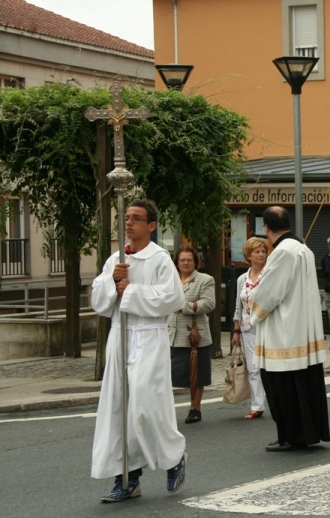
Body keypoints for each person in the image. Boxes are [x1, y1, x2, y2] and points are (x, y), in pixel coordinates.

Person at [91, 199, 187, 502]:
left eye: (136, 218)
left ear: (152, 226)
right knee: (118, 408)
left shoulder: (159, 259)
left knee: (146, 403)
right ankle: (127, 478)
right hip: (120, 336)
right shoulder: (115, 259)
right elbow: (99, 301)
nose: (128, 223)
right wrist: (112, 280)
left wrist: (129, 291)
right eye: (126, 217)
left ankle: (174, 458)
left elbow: (173, 298)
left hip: (148, 336)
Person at [249, 206, 330, 450]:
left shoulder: (283, 252)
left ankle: (292, 435)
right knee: (301, 384)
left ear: (266, 228)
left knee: (281, 386)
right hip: (301, 327)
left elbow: (270, 293)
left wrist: (253, 312)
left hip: (283, 331)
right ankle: (305, 432)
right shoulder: (303, 248)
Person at [168, 246, 216, 424]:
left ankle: (195, 408)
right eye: (182, 260)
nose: (186, 263)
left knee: (197, 374)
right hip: (172, 334)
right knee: (170, 375)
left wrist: (184, 306)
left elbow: (209, 304)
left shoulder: (205, 280)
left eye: (189, 259)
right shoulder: (170, 280)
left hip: (195, 336)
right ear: (177, 262)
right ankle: (165, 411)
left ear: (195, 262)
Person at [230, 237, 269, 419]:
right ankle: (257, 405)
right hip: (248, 327)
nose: (261, 254)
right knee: (253, 368)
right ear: (248, 255)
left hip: (267, 325)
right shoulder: (241, 279)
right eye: (257, 252)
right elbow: (238, 305)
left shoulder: (269, 274)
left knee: (270, 367)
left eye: (263, 251)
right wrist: (236, 330)